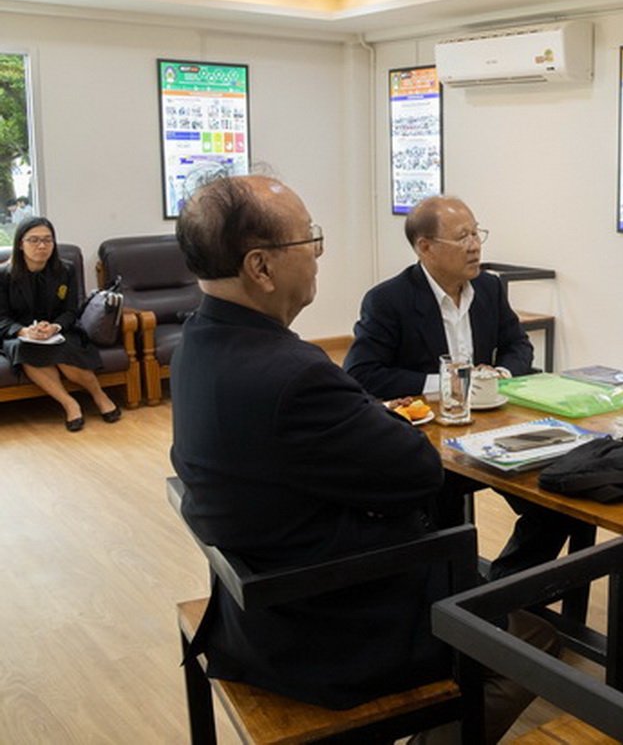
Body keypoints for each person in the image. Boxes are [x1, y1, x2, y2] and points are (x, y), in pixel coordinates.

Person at [170, 175, 556, 743]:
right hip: (330, 625)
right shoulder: (294, 373)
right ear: (261, 266)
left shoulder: (196, 345)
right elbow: (420, 472)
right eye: (309, 239)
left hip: (258, 605)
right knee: (534, 643)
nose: (319, 254)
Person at [344, 195, 591, 579]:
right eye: (462, 237)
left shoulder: (489, 288)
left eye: (477, 234)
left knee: (559, 499)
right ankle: (458, 594)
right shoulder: (389, 300)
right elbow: (362, 373)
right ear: (425, 248)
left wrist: (501, 374)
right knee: (438, 509)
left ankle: (501, 587)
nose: (475, 246)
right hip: (429, 441)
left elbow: (517, 345)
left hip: (494, 429)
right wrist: (451, 384)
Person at [0, 216, 122, 430]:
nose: (41, 246)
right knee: (24, 349)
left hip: (59, 330)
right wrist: (24, 332)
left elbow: (71, 310)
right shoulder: (3, 275)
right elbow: (1, 318)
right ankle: (69, 404)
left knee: (63, 346)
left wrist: (55, 327)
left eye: (47, 240)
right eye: (34, 240)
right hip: (19, 335)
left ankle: (98, 395)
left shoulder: (65, 269)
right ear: (20, 244)